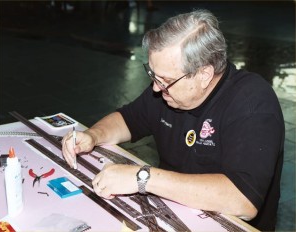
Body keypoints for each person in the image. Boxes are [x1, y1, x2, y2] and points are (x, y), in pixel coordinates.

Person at [62, 9, 284, 231]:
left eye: (166, 80)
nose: (157, 88)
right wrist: (93, 135)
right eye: (153, 76)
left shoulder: (253, 104)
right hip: (170, 211)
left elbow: (243, 200)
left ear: (204, 74)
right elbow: (129, 118)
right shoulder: (168, 91)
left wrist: (143, 178)